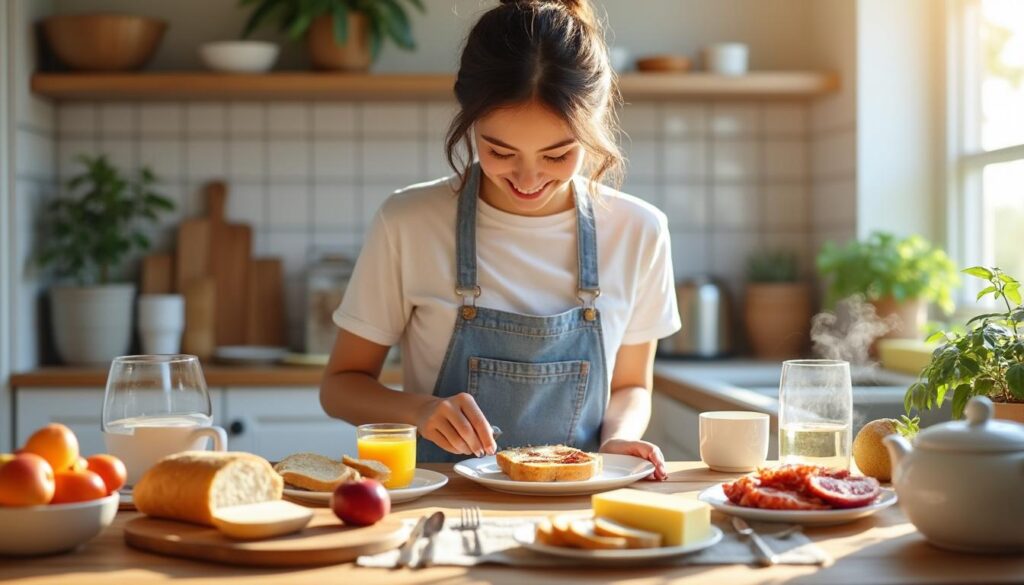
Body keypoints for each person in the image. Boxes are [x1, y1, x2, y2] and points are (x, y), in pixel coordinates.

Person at [320, 0, 680, 479]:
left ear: (594, 129)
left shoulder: (639, 231)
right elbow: (340, 386)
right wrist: (420, 412)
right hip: (447, 511)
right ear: (469, 120)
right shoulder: (408, 221)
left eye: (557, 155)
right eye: (499, 150)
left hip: (579, 506)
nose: (528, 178)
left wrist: (620, 437)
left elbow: (632, 386)